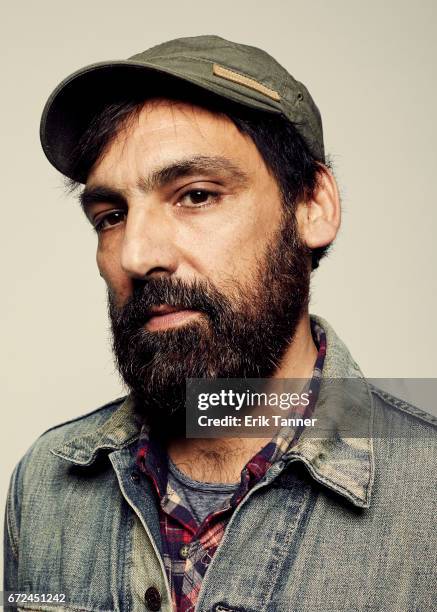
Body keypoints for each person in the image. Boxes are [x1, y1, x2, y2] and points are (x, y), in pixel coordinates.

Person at [4, 35, 436, 612]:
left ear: (312, 205)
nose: (135, 254)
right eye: (110, 216)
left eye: (197, 195)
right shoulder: (46, 482)